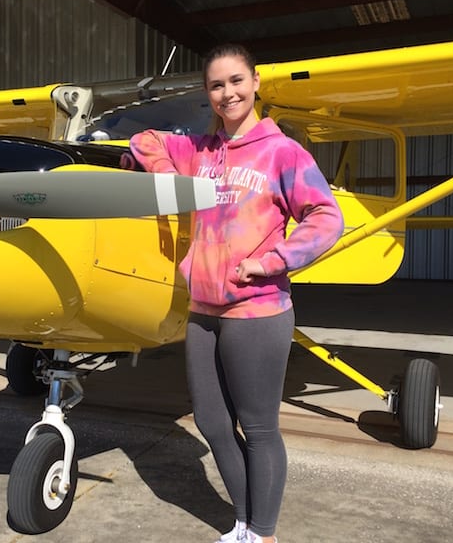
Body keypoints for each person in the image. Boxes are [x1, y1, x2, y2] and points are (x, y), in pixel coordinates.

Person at [130, 43, 344, 543]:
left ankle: (263, 534)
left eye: (236, 82)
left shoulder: (282, 152)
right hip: (203, 308)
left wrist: (272, 262)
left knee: (259, 426)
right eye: (216, 85)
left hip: (257, 309)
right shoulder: (198, 151)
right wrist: (168, 180)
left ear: (255, 83)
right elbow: (144, 140)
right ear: (208, 93)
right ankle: (244, 523)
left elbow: (327, 218)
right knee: (211, 420)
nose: (227, 93)